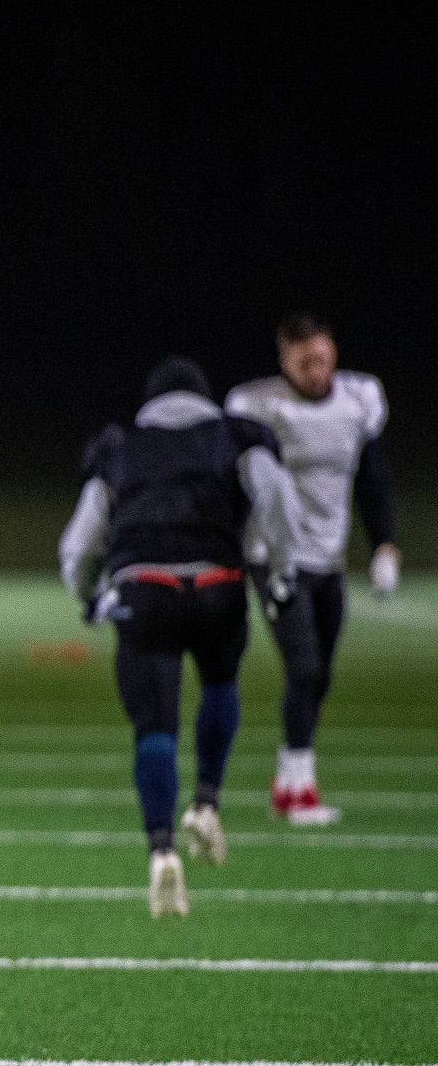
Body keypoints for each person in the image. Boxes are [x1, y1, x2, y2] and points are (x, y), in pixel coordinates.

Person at [60, 356, 297, 917]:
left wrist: (88, 595)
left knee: (154, 729)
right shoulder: (237, 434)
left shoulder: (119, 444)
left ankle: (161, 848)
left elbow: (80, 541)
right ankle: (207, 800)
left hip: (144, 590)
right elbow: (276, 495)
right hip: (218, 586)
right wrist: (281, 569)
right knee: (219, 682)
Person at [225, 313, 399, 825]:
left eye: (321, 358)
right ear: (284, 361)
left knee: (318, 676)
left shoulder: (358, 401)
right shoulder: (260, 406)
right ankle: (297, 789)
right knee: (304, 667)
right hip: (273, 555)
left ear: (334, 354)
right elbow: (234, 482)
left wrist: (385, 544)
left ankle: (289, 778)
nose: (315, 370)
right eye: (303, 362)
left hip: (329, 556)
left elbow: (372, 475)